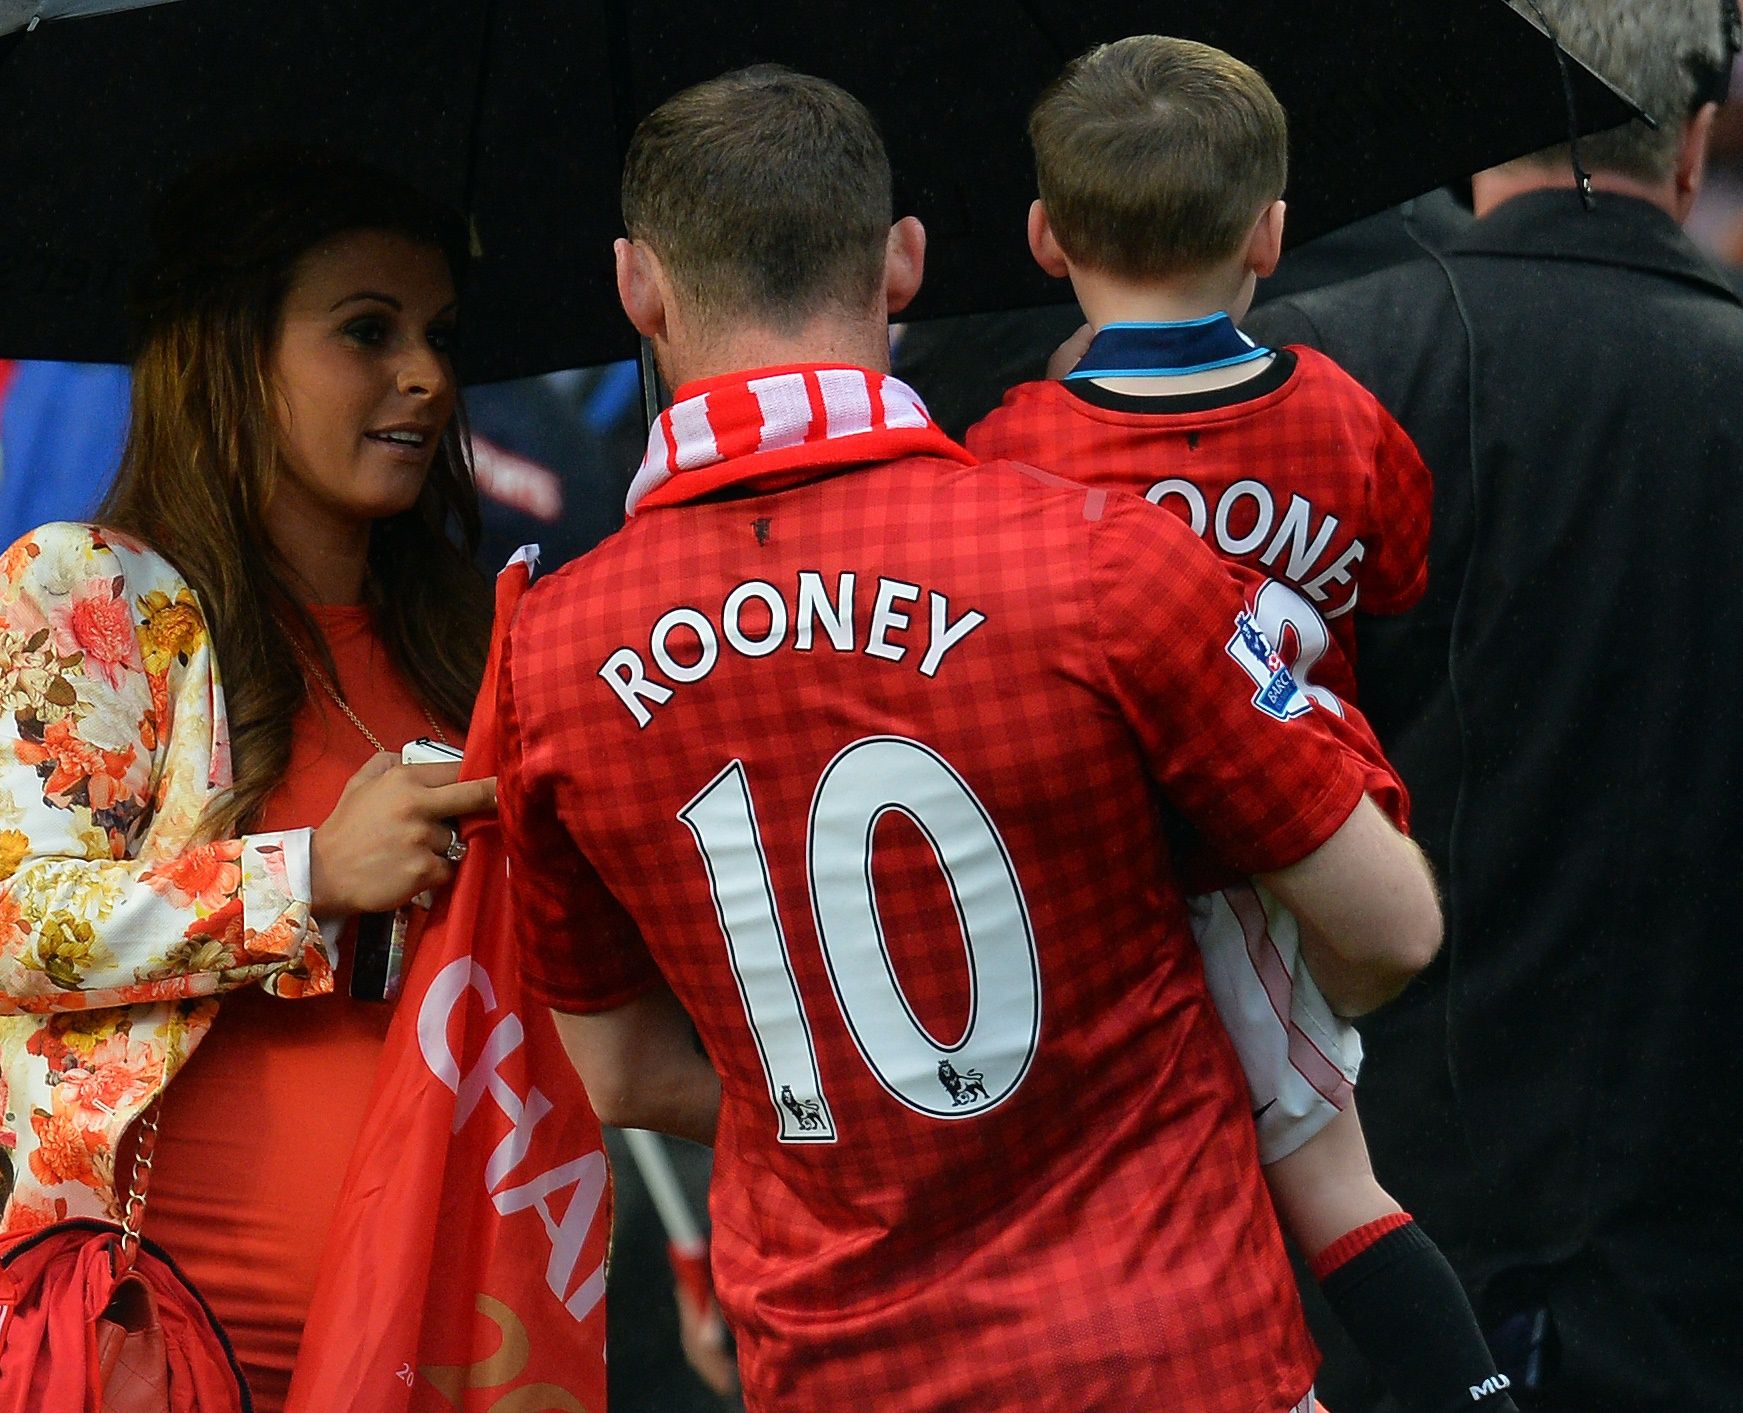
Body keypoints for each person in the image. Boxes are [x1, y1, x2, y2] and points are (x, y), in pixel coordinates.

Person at [499, 65, 1441, 1412]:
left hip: (841, 1368)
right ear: (901, 263)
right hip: (1171, 1347)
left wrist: (861, 1102)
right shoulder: (1104, 563)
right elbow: (1389, 924)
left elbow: (619, 1062)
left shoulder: (545, 653)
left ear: (636, 287)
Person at [0, 147, 497, 1410]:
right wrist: (313, 876)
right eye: (365, 331)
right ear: (228, 350)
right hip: (105, 1344)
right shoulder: (88, 594)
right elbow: (4, 928)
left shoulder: (476, 644)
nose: (424, 376)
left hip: (425, 1331)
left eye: (439, 333)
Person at [964, 37, 1517, 1413]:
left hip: (1089, 882)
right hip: (1291, 856)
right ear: (1270, 233)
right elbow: (1388, 578)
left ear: (1042, 237)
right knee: (1324, 1178)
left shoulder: (1009, 449)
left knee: (1233, 1194)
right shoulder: (1341, 418)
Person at [1242, 2, 1743, 1407]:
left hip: (1371, 1247)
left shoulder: (1303, 389)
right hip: (1696, 1270)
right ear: (1694, 145)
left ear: (1464, 149)